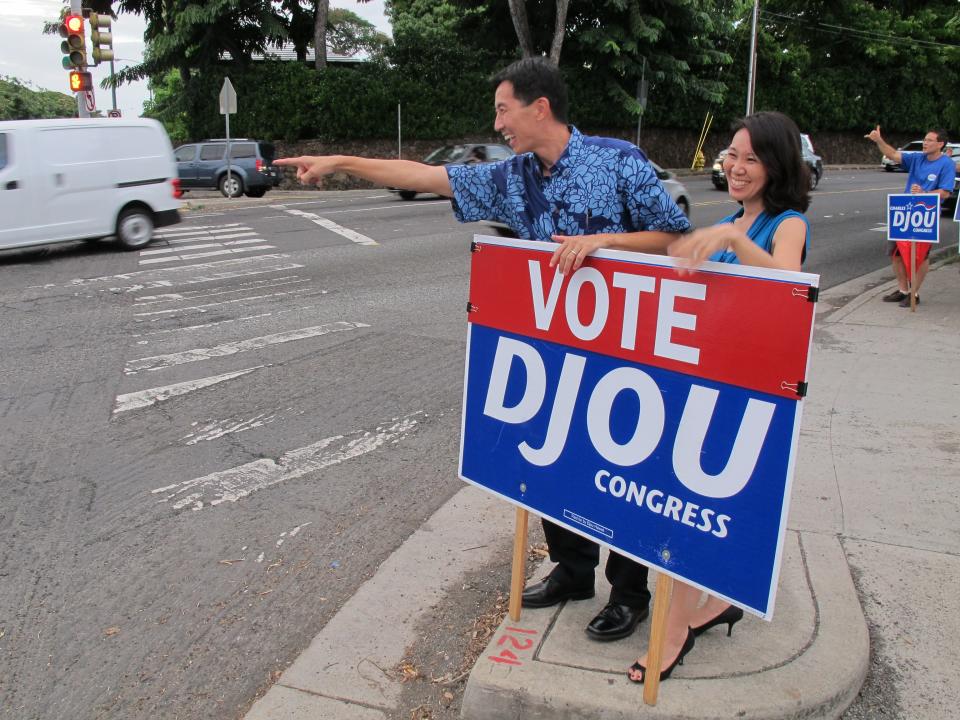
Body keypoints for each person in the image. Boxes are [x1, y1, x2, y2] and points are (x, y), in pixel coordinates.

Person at [276, 57, 691, 642]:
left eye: (503, 109)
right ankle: (573, 572)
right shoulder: (513, 175)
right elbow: (425, 177)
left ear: (538, 107)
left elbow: (673, 235)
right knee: (551, 460)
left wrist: (605, 241)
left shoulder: (617, 159)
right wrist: (340, 161)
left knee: (617, 469)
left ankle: (630, 593)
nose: (497, 123)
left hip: (621, 355)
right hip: (548, 349)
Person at [624, 110, 811, 684]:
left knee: (691, 517)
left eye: (751, 157)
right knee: (690, 511)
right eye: (732, 154)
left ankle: (676, 631)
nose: (735, 166)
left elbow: (787, 283)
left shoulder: (787, 223)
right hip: (704, 383)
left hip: (748, 391)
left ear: (776, 166)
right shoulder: (729, 219)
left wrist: (730, 238)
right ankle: (715, 603)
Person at [865, 126, 955, 307]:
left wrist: (924, 193)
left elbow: (945, 193)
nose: (925, 143)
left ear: (940, 144)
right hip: (904, 212)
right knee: (896, 253)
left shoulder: (946, 164)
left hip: (925, 215)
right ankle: (902, 290)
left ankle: (915, 293)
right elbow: (893, 155)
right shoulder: (917, 158)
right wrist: (879, 140)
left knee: (921, 255)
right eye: (925, 139)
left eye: (929, 140)